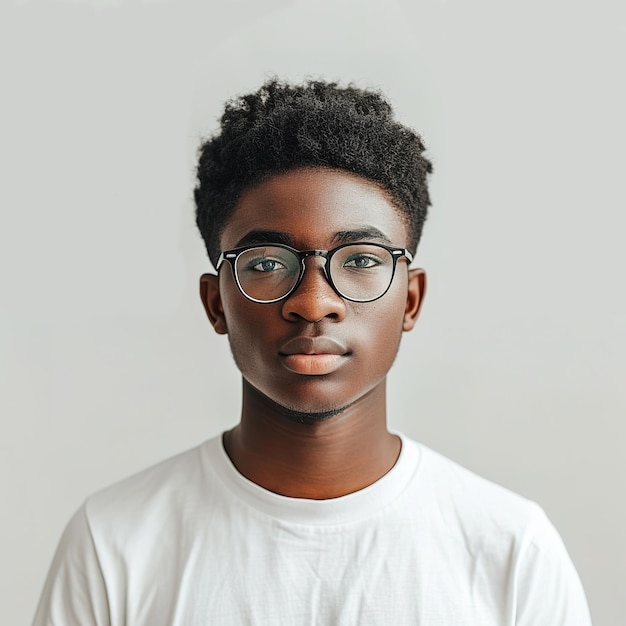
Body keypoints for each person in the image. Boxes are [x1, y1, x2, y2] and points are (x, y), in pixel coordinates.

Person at [33, 79, 592, 625]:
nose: (314, 302)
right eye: (268, 264)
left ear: (411, 300)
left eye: (362, 259)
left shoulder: (512, 550)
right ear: (216, 304)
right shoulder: (114, 543)